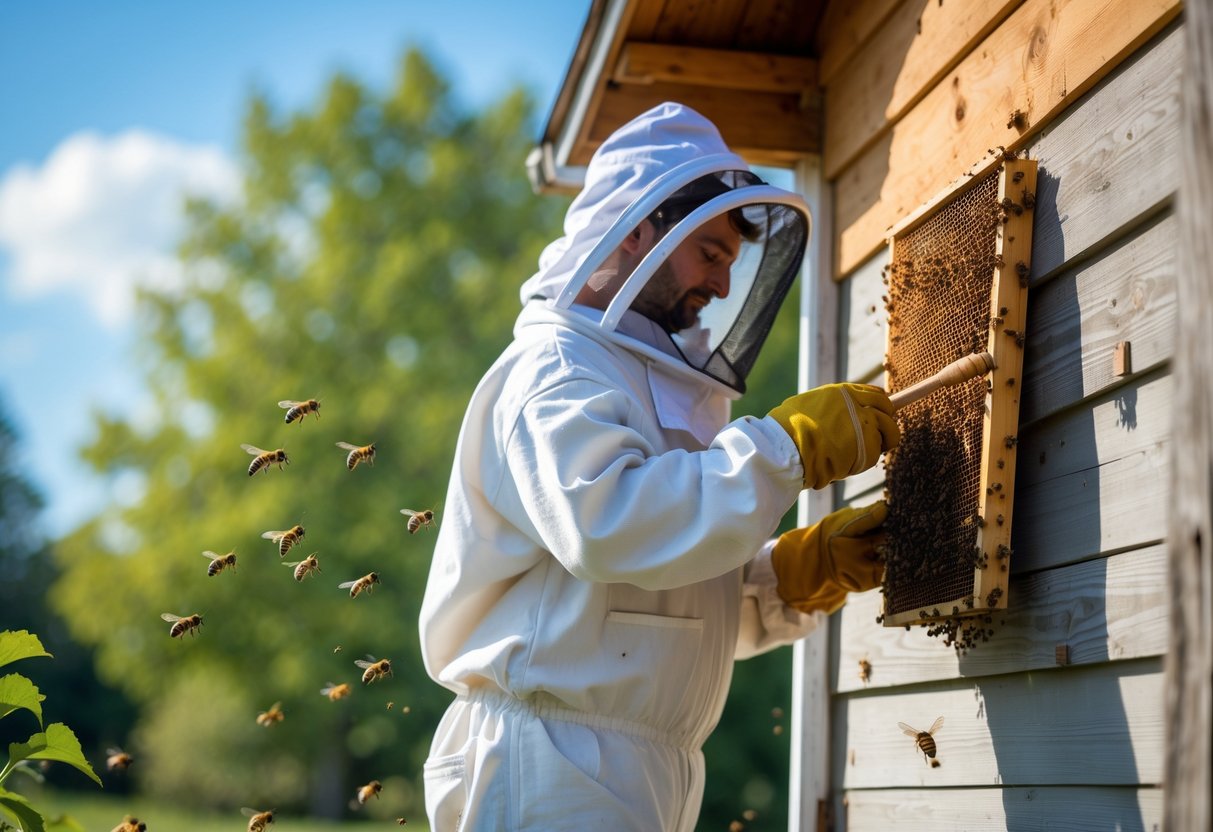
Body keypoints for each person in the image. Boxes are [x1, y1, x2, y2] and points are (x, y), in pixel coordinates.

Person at [418, 101, 900, 831]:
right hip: (549, 755)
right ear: (638, 228)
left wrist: (786, 578)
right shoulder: (556, 368)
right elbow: (609, 527)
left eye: (730, 265)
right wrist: (783, 449)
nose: (719, 284)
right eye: (708, 253)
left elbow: (645, 605)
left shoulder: (643, 380)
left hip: (628, 759)